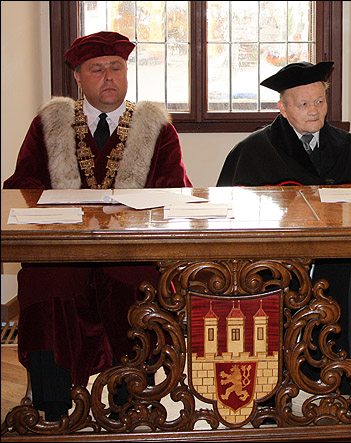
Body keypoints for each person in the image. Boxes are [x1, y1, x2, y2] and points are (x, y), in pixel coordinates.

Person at [3, 31, 192, 421]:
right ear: (77, 78)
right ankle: (52, 406)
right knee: (46, 285)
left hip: (130, 250)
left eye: (117, 68)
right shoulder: (48, 124)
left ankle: (131, 402)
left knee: (138, 285)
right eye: (97, 69)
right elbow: (23, 186)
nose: (109, 77)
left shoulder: (157, 128)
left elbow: (175, 192)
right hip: (62, 250)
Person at [216, 61, 351, 381]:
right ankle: (265, 387)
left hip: (337, 255)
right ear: (283, 108)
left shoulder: (349, 147)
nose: (315, 111)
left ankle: (350, 382)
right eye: (304, 104)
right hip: (273, 259)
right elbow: (229, 213)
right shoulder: (252, 150)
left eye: (320, 101)